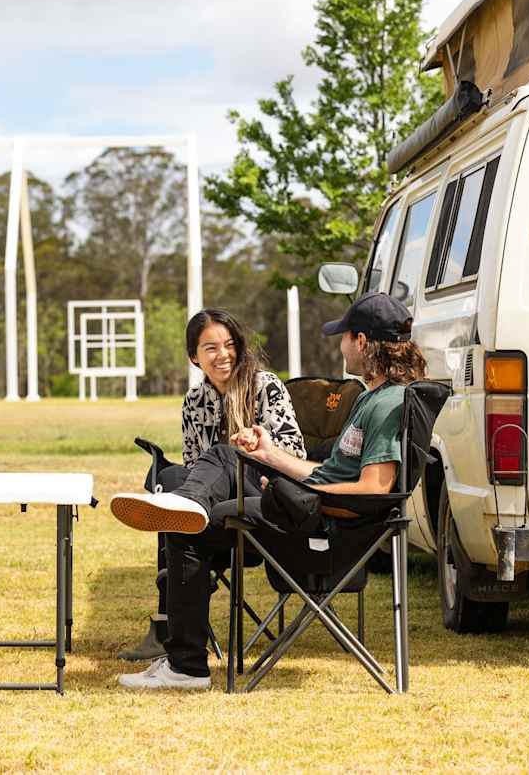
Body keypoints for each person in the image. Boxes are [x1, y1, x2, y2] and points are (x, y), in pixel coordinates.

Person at [109, 292, 426, 690]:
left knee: (220, 463)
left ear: (361, 342)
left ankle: (185, 662)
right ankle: (184, 664)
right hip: (309, 507)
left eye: (343, 335)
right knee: (185, 523)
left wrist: (295, 485)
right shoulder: (374, 398)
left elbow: (374, 489)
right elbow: (328, 471)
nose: (339, 344)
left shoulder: (387, 404)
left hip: (320, 525)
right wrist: (271, 455)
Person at [116, 308, 305, 662]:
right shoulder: (194, 403)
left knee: (210, 464)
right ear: (194, 357)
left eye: (230, 345)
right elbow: (193, 466)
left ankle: (167, 622)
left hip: (264, 499)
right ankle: (170, 623)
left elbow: (295, 455)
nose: (223, 355)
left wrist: (259, 446)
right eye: (211, 348)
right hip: (215, 513)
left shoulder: (266, 386)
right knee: (171, 479)